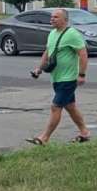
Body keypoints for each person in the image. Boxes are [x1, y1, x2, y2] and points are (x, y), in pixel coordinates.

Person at [26, 9, 91, 145]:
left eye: (56, 17)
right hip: (56, 78)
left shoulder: (72, 34)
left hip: (68, 79)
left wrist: (81, 74)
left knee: (55, 107)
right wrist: (39, 69)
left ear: (65, 20)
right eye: (51, 17)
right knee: (70, 107)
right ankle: (84, 132)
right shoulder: (52, 34)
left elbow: (83, 54)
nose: (52, 19)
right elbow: (48, 52)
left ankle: (44, 138)